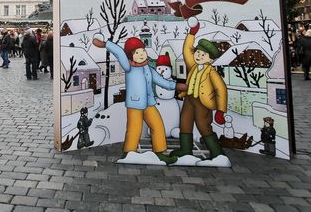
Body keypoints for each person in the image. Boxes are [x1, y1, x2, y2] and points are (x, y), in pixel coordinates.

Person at [93, 33, 177, 163]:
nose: (141, 54)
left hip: (149, 103)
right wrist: (105, 44)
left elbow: (162, 81)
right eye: (137, 52)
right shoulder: (129, 67)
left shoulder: (148, 68)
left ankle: (160, 153)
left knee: (158, 125)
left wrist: (177, 86)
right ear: (131, 55)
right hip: (135, 104)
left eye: (142, 50)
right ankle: (128, 153)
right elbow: (120, 52)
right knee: (134, 129)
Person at [169, 17, 227, 161]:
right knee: (185, 123)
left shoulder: (211, 72)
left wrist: (220, 110)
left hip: (203, 102)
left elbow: (221, 90)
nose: (199, 56)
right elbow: (187, 50)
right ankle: (185, 150)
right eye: (198, 53)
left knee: (204, 126)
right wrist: (192, 33)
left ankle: (216, 152)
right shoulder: (193, 66)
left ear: (210, 59)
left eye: (203, 55)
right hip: (189, 99)